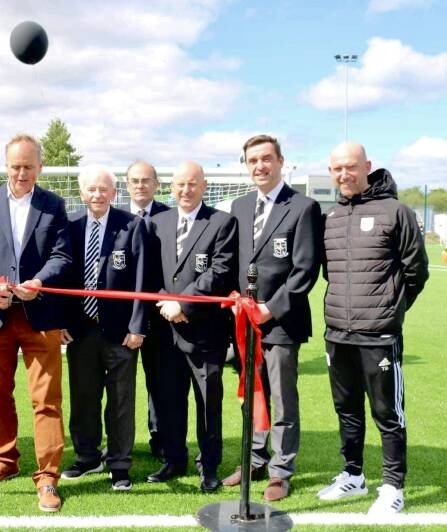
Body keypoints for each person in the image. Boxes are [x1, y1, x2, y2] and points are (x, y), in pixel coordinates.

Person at [0, 133, 72, 512]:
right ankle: (5, 462)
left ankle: (48, 478)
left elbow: (62, 256)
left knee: (46, 401)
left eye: (28, 166)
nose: (21, 173)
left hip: (40, 317)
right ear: (5, 166)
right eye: (15, 166)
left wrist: (39, 281)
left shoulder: (55, 205)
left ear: (40, 167)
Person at [318, 142, 428, 516]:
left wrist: (389, 310)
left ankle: (393, 486)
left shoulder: (396, 211)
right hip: (337, 333)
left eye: (350, 167)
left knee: (387, 413)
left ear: (367, 166)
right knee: (346, 409)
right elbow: (330, 274)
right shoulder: (330, 216)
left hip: (378, 334)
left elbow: (416, 273)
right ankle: (353, 475)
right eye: (336, 169)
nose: (343, 175)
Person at [221, 134, 322, 501]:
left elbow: (305, 269)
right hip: (245, 321)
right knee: (252, 394)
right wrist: (235, 299)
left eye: (266, 159)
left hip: (280, 322)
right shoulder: (240, 206)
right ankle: (254, 459)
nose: (259, 166)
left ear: (280, 161)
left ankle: (281, 470)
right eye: (252, 161)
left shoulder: (303, 207)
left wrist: (270, 308)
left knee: (281, 397)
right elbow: (234, 261)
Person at [148, 162, 237, 493]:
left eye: (192, 184)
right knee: (170, 400)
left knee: (207, 403)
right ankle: (173, 459)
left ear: (204, 186)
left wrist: (183, 305)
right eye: (180, 184)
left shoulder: (222, 223)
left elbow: (220, 272)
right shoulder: (158, 223)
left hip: (205, 333)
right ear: (171, 187)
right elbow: (151, 274)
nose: (185, 190)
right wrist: (166, 305)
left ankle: (209, 465)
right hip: (166, 331)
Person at [60, 165, 147, 491]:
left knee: (121, 400)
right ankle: (87, 457)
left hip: (121, 331)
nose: (97, 194)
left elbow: (142, 278)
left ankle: (120, 464)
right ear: (83, 193)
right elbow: (62, 277)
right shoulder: (70, 227)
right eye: (91, 189)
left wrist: (138, 325)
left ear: (114, 193)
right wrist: (60, 324)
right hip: (81, 330)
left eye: (104, 189)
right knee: (83, 398)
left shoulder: (132, 226)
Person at [125, 160, 170, 458]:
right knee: (120, 384)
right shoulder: (115, 218)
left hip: (163, 315)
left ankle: (161, 439)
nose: (140, 185)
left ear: (156, 184)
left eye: (146, 180)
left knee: (160, 381)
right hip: (125, 318)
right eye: (135, 181)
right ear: (126, 185)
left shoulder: (170, 216)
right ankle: (118, 443)